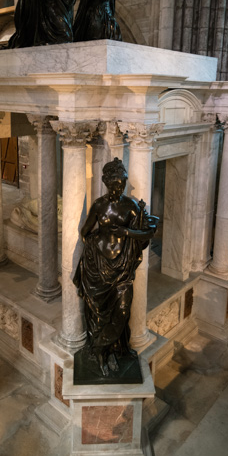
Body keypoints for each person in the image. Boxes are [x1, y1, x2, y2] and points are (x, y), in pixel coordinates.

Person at [73, 158, 158, 377]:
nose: (117, 189)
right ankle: (105, 353)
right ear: (105, 183)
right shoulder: (99, 205)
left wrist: (127, 233)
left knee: (121, 311)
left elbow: (146, 234)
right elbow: (85, 231)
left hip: (121, 269)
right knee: (99, 313)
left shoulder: (130, 206)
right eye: (114, 185)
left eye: (121, 184)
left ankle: (100, 348)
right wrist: (92, 250)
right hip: (98, 268)